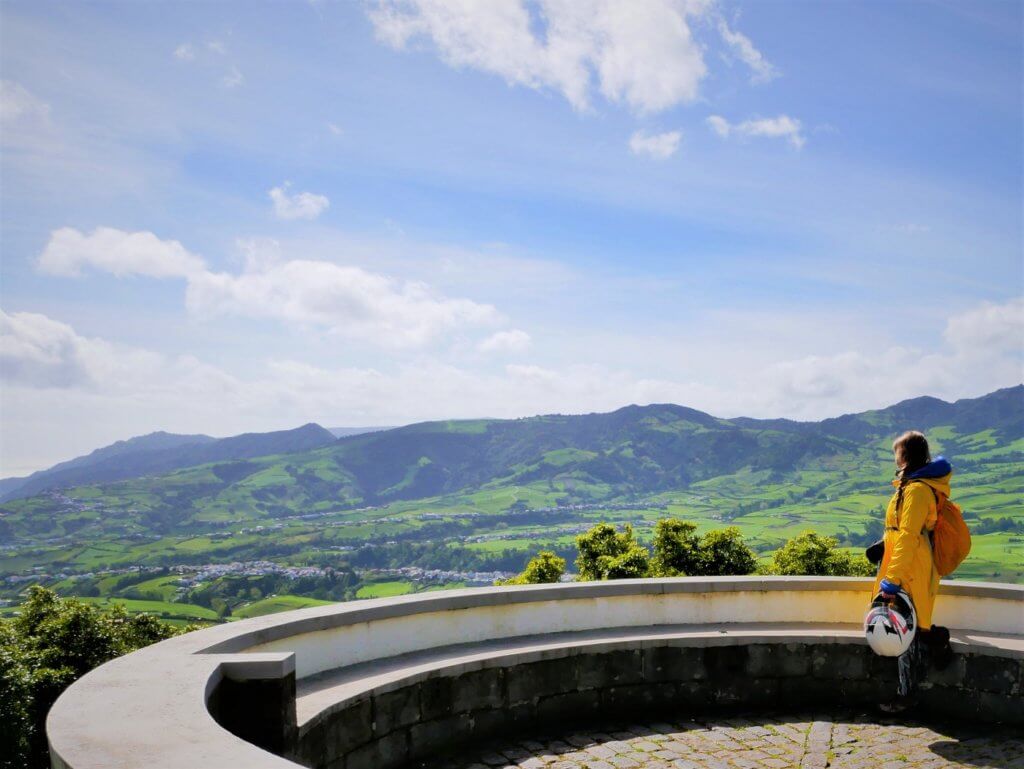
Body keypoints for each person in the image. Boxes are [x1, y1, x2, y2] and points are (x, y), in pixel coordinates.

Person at [872, 430, 953, 713]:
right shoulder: (908, 487)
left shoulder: (917, 490)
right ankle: (936, 642)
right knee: (910, 627)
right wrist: (882, 546)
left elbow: (909, 536)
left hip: (910, 569)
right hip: (903, 563)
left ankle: (906, 696)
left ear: (906, 456)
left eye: (898, 451)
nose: (895, 456)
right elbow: (900, 531)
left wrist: (891, 581)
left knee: (903, 629)